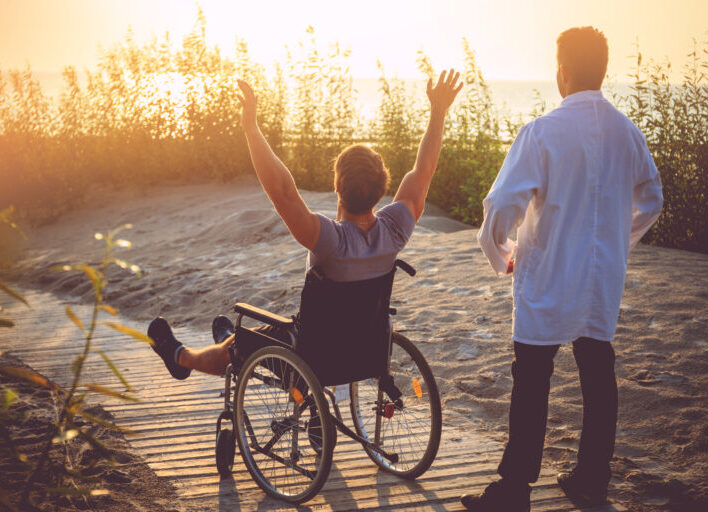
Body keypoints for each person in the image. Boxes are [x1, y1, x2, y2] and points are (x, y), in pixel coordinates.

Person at [147, 70, 463, 382]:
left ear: (338, 187)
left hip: (312, 356)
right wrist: (438, 112)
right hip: (365, 351)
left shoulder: (329, 240)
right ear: (383, 186)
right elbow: (424, 170)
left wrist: (251, 129)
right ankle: (230, 338)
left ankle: (182, 357)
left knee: (239, 345)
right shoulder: (396, 231)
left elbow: (282, 191)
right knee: (257, 335)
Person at [460, 27, 663, 511]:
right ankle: (592, 478)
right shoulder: (627, 132)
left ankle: (514, 491)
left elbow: (501, 204)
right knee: (598, 372)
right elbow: (652, 200)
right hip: (599, 281)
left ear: (563, 72)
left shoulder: (543, 132)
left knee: (532, 377)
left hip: (549, 274)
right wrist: (618, 241)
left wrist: (502, 253)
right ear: (603, 70)